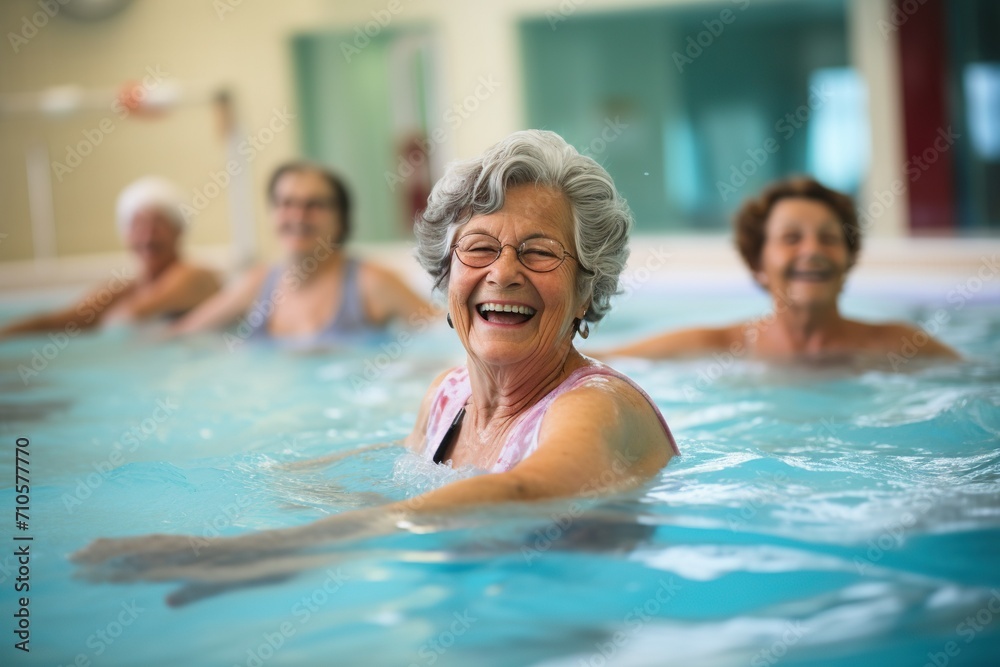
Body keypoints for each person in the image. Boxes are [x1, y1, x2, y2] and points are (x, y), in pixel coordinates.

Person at [71, 131, 678, 602]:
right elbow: (397, 476)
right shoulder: (448, 397)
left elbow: (528, 492)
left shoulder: (596, 405)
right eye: (479, 247)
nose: (503, 272)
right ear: (447, 278)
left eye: (540, 251)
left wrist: (281, 549)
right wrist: (216, 504)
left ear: (585, 290)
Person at [602, 176, 959, 361]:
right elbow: (604, 360)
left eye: (829, 239)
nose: (812, 251)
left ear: (848, 260)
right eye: (792, 238)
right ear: (758, 263)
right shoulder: (719, 349)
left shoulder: (900, 347)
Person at [170, 161, 433, 345]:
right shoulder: (257, 284)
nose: (298, 216)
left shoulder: (371, 283)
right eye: (286, 203)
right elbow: (182, 335)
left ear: (341, 220)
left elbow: (444, 333)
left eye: (314, 205)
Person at [0, 176, 220, 339]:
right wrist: (7, 332)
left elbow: (130, 317)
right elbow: (66, 319)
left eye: (158, 225)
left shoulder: (196, 276)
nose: (147, 236)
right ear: (125, 235)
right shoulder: (126, 289)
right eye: (138, 226)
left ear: (179, 230)